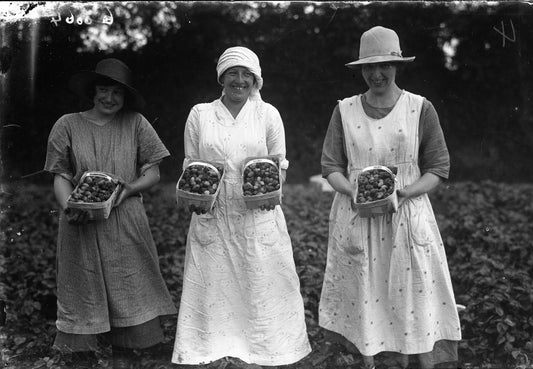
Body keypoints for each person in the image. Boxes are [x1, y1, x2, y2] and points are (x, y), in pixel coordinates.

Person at [319, 26, 462, 369]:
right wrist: (353, 189)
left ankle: (415, 359)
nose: (377, 73)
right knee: (366, 293)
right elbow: (331, 166)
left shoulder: (419, 108)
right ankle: (374, 360)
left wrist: (404, 192)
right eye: (369, 67)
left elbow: (438, 168)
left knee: (411, 292)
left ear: (398, 66)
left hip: (406, 214)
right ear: (361, 70)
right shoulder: (345, 110)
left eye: (384, 65)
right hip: (357, 215)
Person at [172, 46, 311, 368]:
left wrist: (270, 191)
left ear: (256, 79)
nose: (239, 80)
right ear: (221, 77)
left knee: (260, 280)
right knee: (214, 282)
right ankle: (212, 350)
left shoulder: (267, 114)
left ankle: (264, 350)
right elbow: (192, 163)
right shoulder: (201, 114)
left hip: (257, 211)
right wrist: (196, 194)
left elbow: (280, 163)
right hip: (213, 212)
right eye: (232, 73)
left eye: (246, 74)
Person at [44, 58, 177, 369]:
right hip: (81, 216)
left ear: (125, 97)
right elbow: (61, 175)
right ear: (92, 92)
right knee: (82, 275)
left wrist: (128, 189)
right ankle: (81, 345)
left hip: (125, 212)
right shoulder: (67, 124)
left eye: (117, 93)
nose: (109, 98)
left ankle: (134, 342)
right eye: (104, 90)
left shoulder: (136, 123)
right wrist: (70, 207)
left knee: (131, 275)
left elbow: (153, 172)